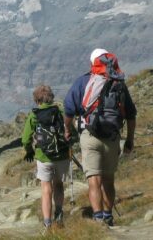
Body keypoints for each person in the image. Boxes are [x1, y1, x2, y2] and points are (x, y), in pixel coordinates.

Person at [63, 48, 137, 227]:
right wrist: (129, 140)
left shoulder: (83, 82)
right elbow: (131, 115)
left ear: (92, 63)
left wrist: (67, 129)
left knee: (94, 180)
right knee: (108, 180)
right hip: (112, 137)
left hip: (90, 136)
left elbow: (69, 109)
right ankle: (108, 216)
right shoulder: (118, 84)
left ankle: (98, 219)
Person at [21, 84, 69, 231]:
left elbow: (25, 138)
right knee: (59, 185)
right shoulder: (60, 111)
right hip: (61, 155)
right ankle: (59, 214)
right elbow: (70, 130)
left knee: (46, 188)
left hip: (43, 156)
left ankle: (47, 223)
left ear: (37, 100)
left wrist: (29, 151)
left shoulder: (34, 114)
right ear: (51, 97)